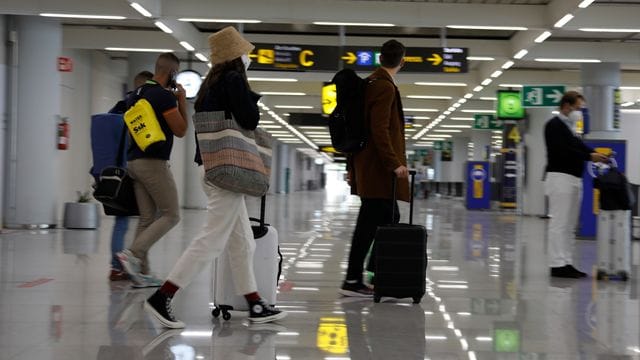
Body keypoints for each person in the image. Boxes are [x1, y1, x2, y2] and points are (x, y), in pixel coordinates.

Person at [144, 26, 286, 328]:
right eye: (246, 53)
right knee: (210, 240)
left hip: (211, 168)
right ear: (237, 56)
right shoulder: (234, 80)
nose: (249, 58)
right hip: (226, 172)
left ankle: (254, 302)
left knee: (243, 242)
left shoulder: (213, 83)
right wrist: (250, 95)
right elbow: (249, 119)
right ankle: (162, 296)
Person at [340, 39, 410, 297]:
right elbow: (378, 129)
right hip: (378, 169)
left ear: (381, 59)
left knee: (385, 218)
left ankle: (369, 273)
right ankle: (354, 278)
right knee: (373, 222)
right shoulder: (384, 87)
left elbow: (356, 128)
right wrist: (395, 164)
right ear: (401, 62)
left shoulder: (370, 83)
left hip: (368, 165)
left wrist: (351, 165)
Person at [118, 53, 188, 287]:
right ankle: (133, 253)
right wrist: (182, 102)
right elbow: (181, 130)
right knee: (172, 214)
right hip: (153, 162)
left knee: (147, 218)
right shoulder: (163, 96)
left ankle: (141, 274)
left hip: (134, 162)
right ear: (172, 73)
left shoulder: (136, 94)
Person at [544, 91, 608, 278]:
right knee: (559, 223)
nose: (580, 112)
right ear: (567, 106)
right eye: (578, 108)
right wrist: (589, 156)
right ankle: (556, 264)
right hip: (559, 178)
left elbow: (578, 146)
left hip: (574, 179)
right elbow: (563, 150)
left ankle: (566, 262)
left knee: (570, 225)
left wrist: (598, 155)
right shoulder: (553, 125)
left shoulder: (570, 128)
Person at [104, 71, 154, 281]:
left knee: (121, 221)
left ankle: (117, 267)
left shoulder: (117, 107)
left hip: (115, 172)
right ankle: (137, 264)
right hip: (136, 168)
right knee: (147, 219)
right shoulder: (142, 108)